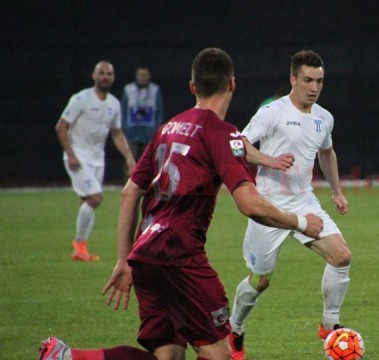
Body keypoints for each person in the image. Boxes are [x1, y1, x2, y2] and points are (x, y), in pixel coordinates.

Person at [38, 47, 323, 360]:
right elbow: (249, 203)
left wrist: (124, 260)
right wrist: (301, 222)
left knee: (169, 357)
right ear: (232, 84)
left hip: (145, 256)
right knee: (220, 355)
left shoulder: (167, 129)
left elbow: (129, 192)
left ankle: (68, 356)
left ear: (192, 87)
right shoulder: (222, 133)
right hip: (180, 256)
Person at [227, 49, 352, 360]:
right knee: (260, 281)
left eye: (319, 81)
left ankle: (330, 325)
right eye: (307, 80)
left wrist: (336, 191)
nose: (313, 87)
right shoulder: (272, 112)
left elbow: (327, 152)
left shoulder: (325, 118)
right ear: (293, 79)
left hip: (304, 202)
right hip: (267, 208)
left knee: (341, 257)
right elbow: (236, 145)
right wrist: (269, 160)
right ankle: (235, 327)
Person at [55, 60, 136, 262]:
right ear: (94, 76)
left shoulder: (114, 104)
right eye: (101, 73)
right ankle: (79, 244)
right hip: (78, 157)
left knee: (88, 202)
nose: (105, 77)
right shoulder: (81, 99)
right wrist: (71, 154)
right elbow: (60, 127)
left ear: (113, 77)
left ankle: (81, 250)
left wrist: (129, 157)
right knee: (96, 198)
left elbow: (117, 133)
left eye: (109, 73)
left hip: (97, 160)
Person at [121, 66, 164, 180]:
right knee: (129, 160)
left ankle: (146, 185)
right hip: (131, 133)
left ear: (149, 76)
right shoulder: (128, 89)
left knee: (148, 162)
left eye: (145, 75)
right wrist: (124, 129)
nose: (143, 77)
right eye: (140, 75)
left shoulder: (155, 90)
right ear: (136, 76)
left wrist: (157, 130)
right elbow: (123, 110)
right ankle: (127, 184)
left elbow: (159, 111)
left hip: (149, 133)